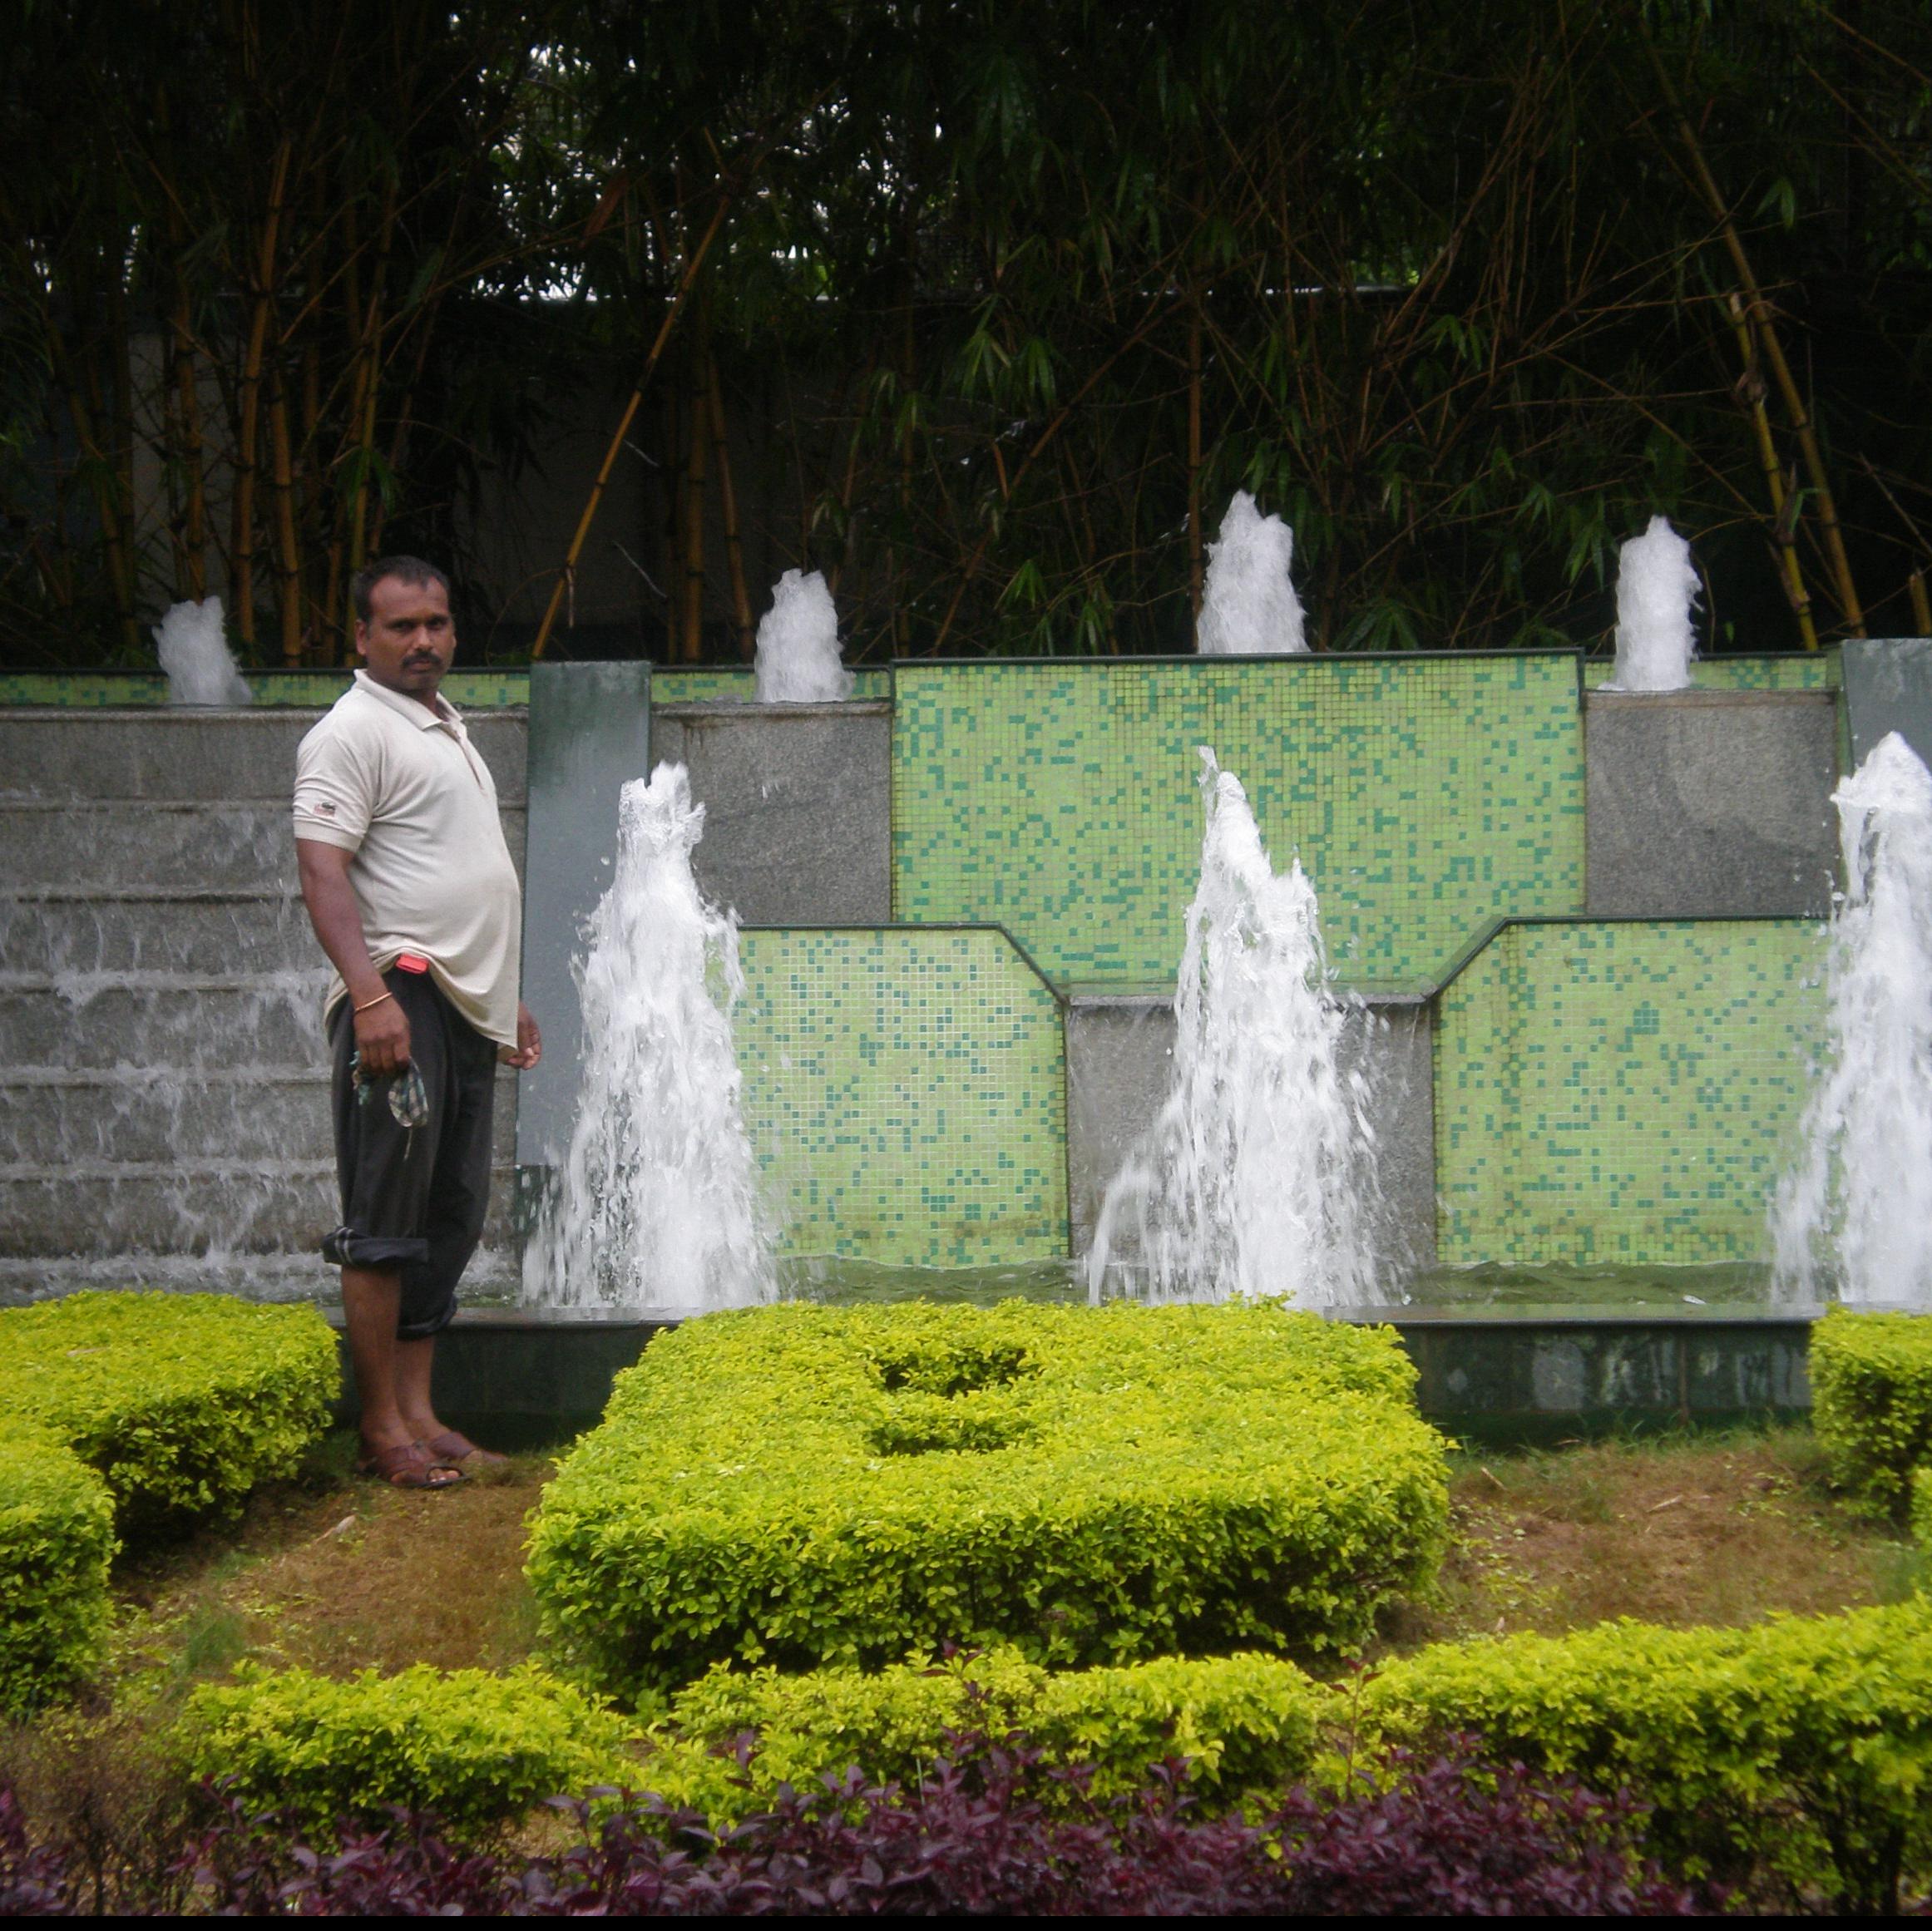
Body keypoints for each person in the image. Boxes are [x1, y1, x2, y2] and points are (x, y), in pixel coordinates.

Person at [293, 557, 540, 1489]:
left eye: (436, 622)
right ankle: (380, 1429)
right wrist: (368, 998)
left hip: (460, 1004)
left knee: (450, 1216)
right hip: (399, 996)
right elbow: (323, 874)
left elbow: (456, 877)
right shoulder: (350, 732)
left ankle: (424, 1413)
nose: (424, 641)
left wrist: (500, 990)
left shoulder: (443, 727)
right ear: (361, 636)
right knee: (384, 1221)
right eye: (401, 626)